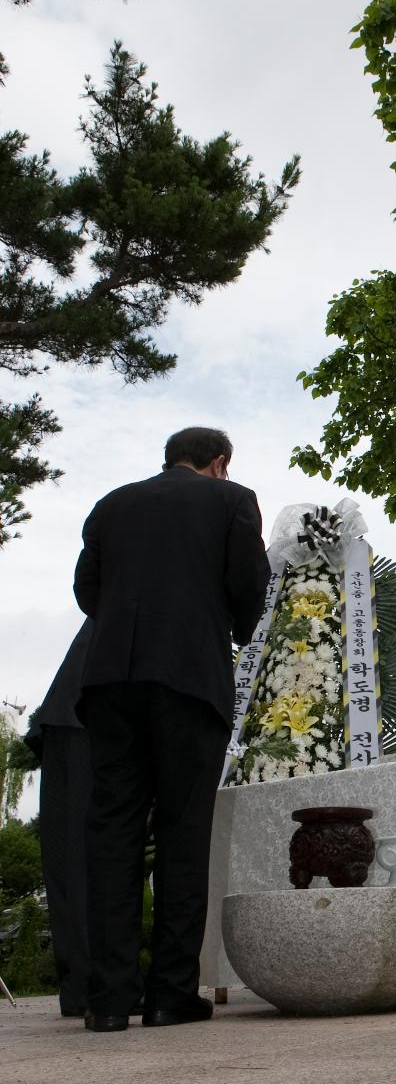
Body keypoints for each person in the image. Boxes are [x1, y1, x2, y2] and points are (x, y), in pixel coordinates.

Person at [73, 426, 270, 1032]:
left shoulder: (112, 503)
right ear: (219, 463)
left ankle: (107, 998)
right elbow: (249, 585)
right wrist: (229, 630)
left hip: (109, 682)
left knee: (112, 833)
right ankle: (169, 994)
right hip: (188, 676)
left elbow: (87, 591)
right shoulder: (232, 500)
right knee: (183, 831)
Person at [24, 622, 96, 1017]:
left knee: (72, 858)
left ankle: (81, 981)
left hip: (73, 714)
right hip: (84, 715)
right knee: (80, 857)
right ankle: (87, 981)